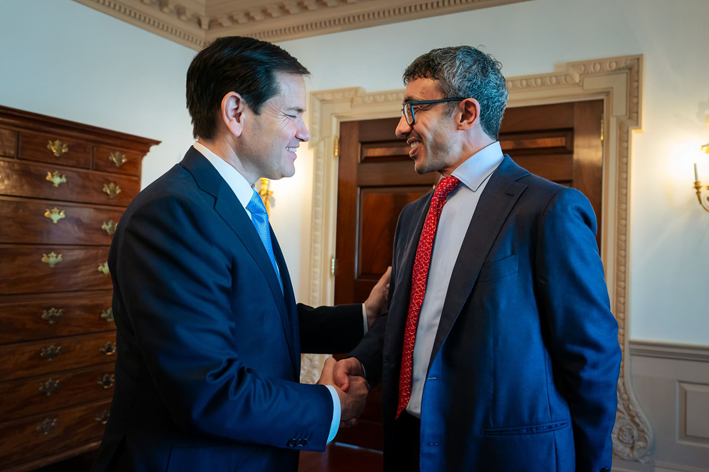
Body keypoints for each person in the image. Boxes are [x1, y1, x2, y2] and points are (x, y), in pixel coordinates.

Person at [91, 36, 390, 472]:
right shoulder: (171, 213)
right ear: (235, 112)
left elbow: (259, 318)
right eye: (292, 114)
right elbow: (207, 389)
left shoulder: (237, 203)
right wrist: (329, 405)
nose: (304, 132)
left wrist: (364, 315)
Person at [334, 46, 622, 472]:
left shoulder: (549, 208)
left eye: (414, 109)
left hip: (503, 455)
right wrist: (360, 362)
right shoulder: (413, 215)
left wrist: (592, 466)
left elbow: (591, 354)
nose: (400, 127)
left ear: (466, 113)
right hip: (409, 443)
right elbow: (408, 318)